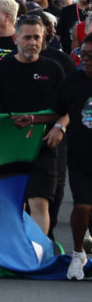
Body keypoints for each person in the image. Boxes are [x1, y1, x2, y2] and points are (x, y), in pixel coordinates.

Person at [0, 15, 65, 235]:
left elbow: (67, 109)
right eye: (27, 37)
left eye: (37, 37)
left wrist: (60, 127)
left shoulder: (54, 69)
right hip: (7, 148)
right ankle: (12, 256)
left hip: (43, 147)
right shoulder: (0, 69)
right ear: (15, 38)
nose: (33, 42)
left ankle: (36, 258)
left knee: (39, 203)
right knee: (11, 206)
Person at [51, 34, 92, 280]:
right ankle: (78, 254)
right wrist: (35, 120)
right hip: (80, 156)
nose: (85, 60)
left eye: (91, 57)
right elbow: (56, 111)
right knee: (83, 206)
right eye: (83, 55)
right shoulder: (72, 82)